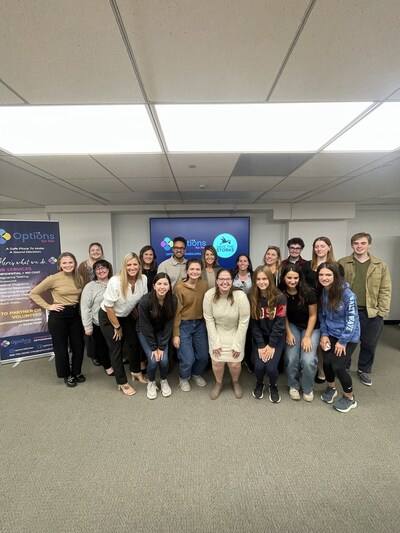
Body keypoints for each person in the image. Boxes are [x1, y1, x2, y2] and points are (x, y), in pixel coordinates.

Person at [338, 232, 392, 386]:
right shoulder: (342, 262)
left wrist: (382, 312)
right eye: (356, 243)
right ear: (352, 245)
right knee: (346, 341)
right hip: (348, 312)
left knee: (369, 343)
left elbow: (385, 289)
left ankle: (364, 370)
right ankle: (344, 367)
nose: (359, 246)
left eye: (362, 243)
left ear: (369, 244)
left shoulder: (380, 265)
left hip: (371, 312)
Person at [29, 252, 85, 387]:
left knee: (79, 345)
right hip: (59, 316)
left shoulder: (79, 278)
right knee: (61, 347)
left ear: (75, 263)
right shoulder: (53, 278)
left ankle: (76, 371)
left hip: (75, 315)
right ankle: (66, 375)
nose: (68, 265)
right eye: (64, 263)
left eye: (70, 262)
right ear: (59, 265)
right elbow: (33, 293)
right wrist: (48, 306)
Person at [98, 252, 148, 396]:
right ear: (124, 266)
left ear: (139, 265)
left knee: (134, 343)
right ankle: (122, 382)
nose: (132, 267)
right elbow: (108, 307)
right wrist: (117, 327)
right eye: (129, 265)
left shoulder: (143, 279)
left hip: (125, 315)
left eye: (135, 264)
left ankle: (136, 371)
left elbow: (140, 301)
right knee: (116, 348)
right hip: (109, 317)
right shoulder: (115, 281)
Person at [317, 262, 360, 413]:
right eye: (321, 274)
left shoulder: (348, 295)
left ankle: (349, 397)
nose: (324, 278)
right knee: (327, 363)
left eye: (328, 275)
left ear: (335, 276)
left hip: (348, 337)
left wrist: (342, 341)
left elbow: (352, 320)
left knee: (338, 366)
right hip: (331, 333)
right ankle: (331, 387)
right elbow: (322, 315)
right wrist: (324, 334)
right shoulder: (324, 291)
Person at [302, 236, 344, 383]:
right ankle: (314, 368)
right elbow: (302, 286)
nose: (319, 249)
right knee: (315, 337)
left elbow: (340, 288)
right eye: (316, 246)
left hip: (329, 307)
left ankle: (323, 369)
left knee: (325, 339)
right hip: (311, 307)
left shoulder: (337, 267)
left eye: (322, 246)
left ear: (329, 247)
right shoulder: (307, 266)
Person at [203, 269, 250, 400]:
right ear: (217, 281)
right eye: (221, 279)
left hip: (235, 331)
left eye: (228, 279)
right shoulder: (209, 295)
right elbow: (209, 319)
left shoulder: (240, 296)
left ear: (232, 281)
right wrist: (215, 342)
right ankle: (219, 383)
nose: (225, 282)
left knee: (234, 363)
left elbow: (244, 321)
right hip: (217, 331)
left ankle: (235, 382)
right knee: (217, 361)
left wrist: (237, 344)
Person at [279, 264, 319, 402]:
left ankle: (307, 388)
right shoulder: (280, 292)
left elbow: (313, 316)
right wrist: (288, 333)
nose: (292, 281)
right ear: (283, 277)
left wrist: (307, 336)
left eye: (295, 277)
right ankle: (293, 385)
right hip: (292, 325)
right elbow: (282, 315)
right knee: (291, 357)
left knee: (308, 360)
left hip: (311, 326)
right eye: (289, 277)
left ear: (300, 278)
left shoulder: (309, 292)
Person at [249, 265, 287, 403]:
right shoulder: (252, 296)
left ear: (270, 279)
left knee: (271, 368)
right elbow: (254, 324)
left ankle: (273, 385)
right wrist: (260, 344)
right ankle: (260, 383)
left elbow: (280, 324)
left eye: (264, 278)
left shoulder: (280, 297)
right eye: (258, 279)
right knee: (258, 366)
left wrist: (271, 345)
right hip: (260, 337)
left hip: (275, 338)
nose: (261, 282)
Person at [137, 273, 177, 400]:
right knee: (153, 360)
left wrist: (162, 346)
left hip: (161, 331)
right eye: (159, 283)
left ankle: (164, 380)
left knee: (164, 360)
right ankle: (151, 382)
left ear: (169, 286)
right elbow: (145, 326)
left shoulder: (173, 300)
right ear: (154, 286)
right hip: (144, 331)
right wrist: (154, 348)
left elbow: (169, 325)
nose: (162, 286)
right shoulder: (145, 301)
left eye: (165, 284)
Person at [173, 259, 209, 392]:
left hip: (199, 324)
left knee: (204, 356)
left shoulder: (204, 285)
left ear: (201, 271)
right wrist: (175, 334)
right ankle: (183, 377)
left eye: (197, 269)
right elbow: (176, 312)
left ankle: (196, 374)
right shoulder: (179, 287)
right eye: (192, 269)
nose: (194, 272)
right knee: (188, 358)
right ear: (187, 271)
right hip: (184, 324)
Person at [78, 242, 112, 366]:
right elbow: (80, 281)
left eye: (98, 250)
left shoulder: (106, 264)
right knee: (93, 334)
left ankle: (109, 357)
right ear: (89, 252)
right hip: (91, 297)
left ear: (102, 251)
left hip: (105, 299)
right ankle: (94, 355)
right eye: (93, 250)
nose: (96, 252)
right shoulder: (83, 265)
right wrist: (89, 291)